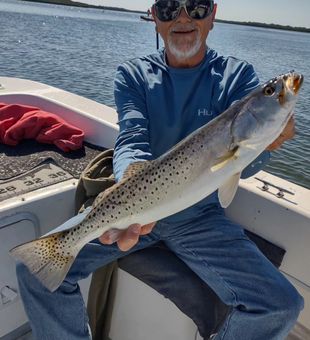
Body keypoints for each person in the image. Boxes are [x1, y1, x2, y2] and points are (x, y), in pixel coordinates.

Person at [16, 0, 303, 339]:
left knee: (281, 305)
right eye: (169, 8)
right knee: (34, 269)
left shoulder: (237, 78)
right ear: (155, 18)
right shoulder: (133, 75)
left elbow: (243, 163)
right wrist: (128, 182)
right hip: (133, 205)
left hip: (199, 219)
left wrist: (270, 142)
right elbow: (132, 137)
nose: (183, 18)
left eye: (196, 8)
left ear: (212, 16)